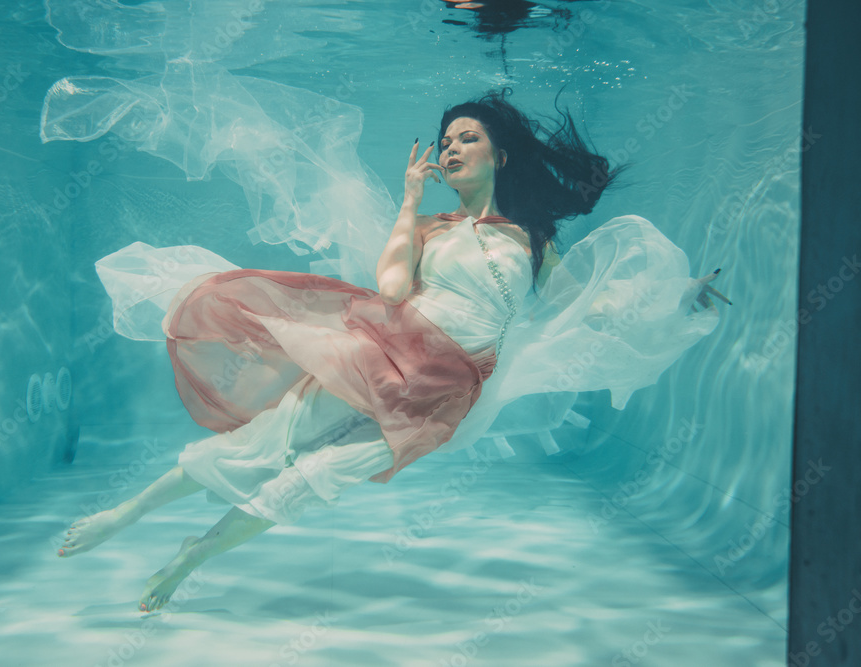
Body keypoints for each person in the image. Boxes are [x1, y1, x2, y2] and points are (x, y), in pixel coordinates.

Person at [57, 90, 728, 613]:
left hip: (445, 395)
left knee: (307, 482)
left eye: (468, 137)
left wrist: (675, 299)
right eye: (447, 141)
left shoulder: (533, 238)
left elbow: (589, 306)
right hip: (380, 356)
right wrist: (409, 202)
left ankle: (188, 559)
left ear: (501, 156)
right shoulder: (431, 226)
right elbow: (390, 288)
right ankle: (125, 512)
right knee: (262, 447)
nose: (452, 147)